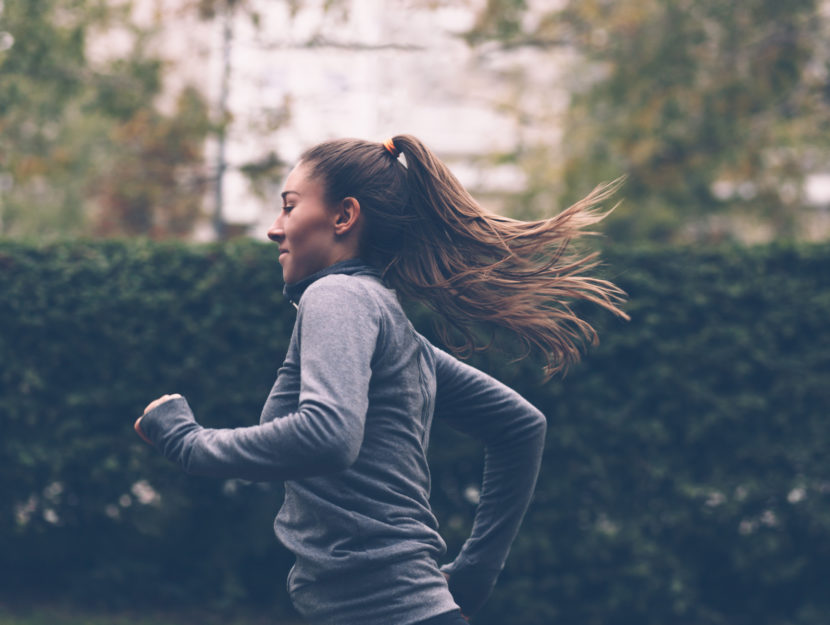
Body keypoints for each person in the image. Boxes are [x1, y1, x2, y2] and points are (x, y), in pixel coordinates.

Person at [134, 135, 628, 625]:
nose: (273, 229)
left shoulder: (336, 296)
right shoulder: (390, 326)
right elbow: (520, 426)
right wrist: (476, 571)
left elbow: (329, 435)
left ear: (344, 217)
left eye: (289, 207)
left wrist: (190, 443)